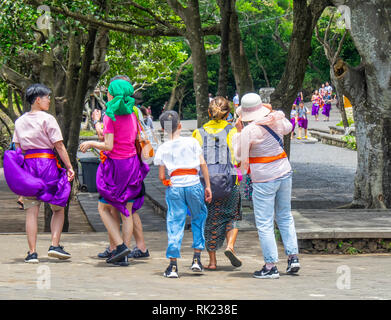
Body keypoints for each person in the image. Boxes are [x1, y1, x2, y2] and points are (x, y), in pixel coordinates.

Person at [80, 79, 150, 266]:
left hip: (115, 167)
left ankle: (119, 246)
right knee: (126, 209)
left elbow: (108, 145)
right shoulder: (133, 115)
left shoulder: (110, 116)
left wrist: (91, 143)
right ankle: (123, 253)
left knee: (103, 207)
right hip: (132, 164)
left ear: (112, 94)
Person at [4, 83, 75, 263]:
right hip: (48, 164)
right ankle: (54, 244)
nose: (49, 100)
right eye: (46, 97)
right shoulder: (48, 119)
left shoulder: (19, 121)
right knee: (58, 207)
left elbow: (17, 150)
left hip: (29, 166)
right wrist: (69, 167)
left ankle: (32, 252)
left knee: (31, 211)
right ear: (38, 99)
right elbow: (58, 145)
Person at [233, 92, 300, 279]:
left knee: (264, 222)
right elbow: (288, 127)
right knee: (285, 216)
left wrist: (238, 132)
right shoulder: (275, 121)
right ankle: (293, 257)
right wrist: (275, 113)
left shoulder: (249, 130)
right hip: (284, 171)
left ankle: (270, 265)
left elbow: (239, 154)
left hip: (264, 178)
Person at [154, 110, 212, 278]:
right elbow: (203, 165)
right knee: (199, 217)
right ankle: (196, 259)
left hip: (175, 186)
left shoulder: (163, 147)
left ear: (164, 130)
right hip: (194, 183)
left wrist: (168, 183)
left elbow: (161, 176)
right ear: (180, 125)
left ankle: (172, 266)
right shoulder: (192, 142)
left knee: (174, 223)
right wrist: (207, 186)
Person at [192, 97, 242, 270]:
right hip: (230, 182)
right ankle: (230, 246)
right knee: (231, 216)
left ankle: (212, 262)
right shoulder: (232, 131)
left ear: (208, 112)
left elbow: (195, 159)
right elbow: (237, 157)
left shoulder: (198, 133)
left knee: (211, 219)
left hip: (207, 184)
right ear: (228, 113)